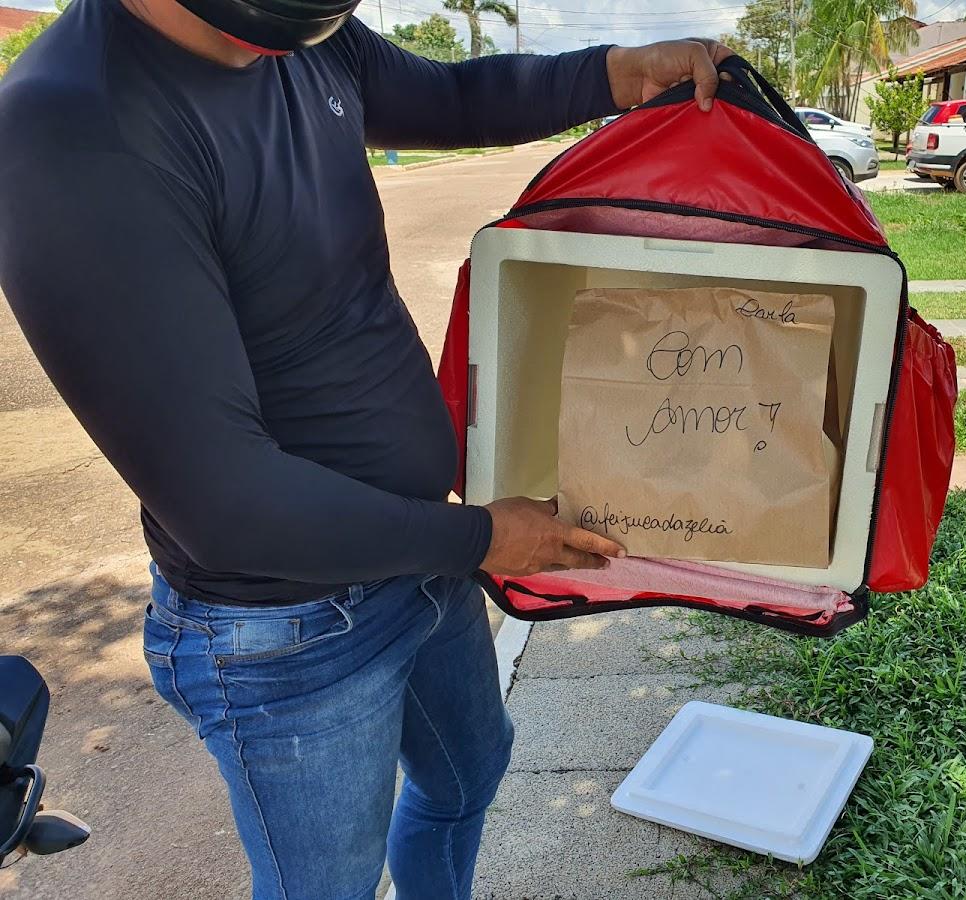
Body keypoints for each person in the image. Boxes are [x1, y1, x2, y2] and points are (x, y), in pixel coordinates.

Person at [0, 0, 732, 895]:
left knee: (468, 779)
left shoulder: (299, 36)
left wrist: (614, 73)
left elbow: (453, 99)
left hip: (418, 557)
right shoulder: (73, 127)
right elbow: (227, 505)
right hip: (285, 631)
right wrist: (483, 540)